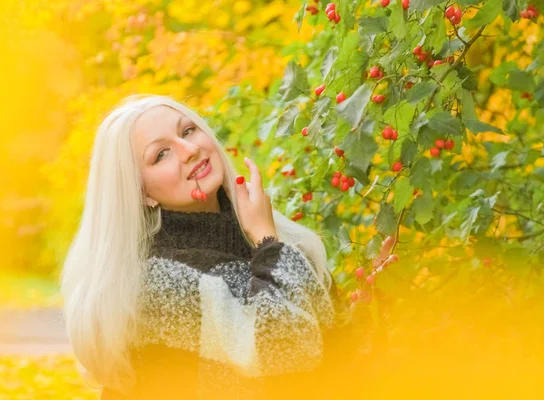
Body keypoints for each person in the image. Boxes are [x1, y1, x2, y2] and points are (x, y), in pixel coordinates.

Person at [60, 94, 397, 399]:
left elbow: (334, 370)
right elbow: (285, 347)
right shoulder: (157, 281)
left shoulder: (276, 237)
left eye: (188, 131)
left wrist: (370, 311)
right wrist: (267, 243)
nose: (188, 149)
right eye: (160, 154)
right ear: (142, 193)